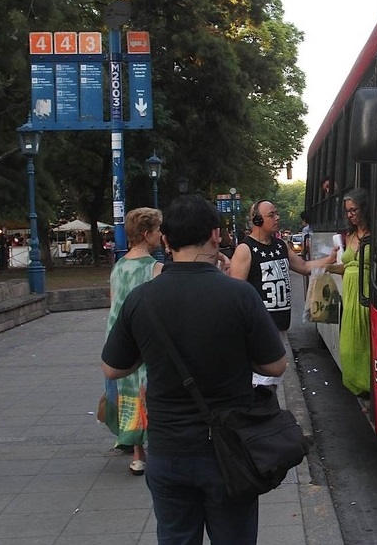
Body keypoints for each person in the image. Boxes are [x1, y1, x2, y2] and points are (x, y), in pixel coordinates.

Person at [101, 194, 286, 545]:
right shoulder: (239, 295)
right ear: (216, 235)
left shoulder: (142, 298)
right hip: (229, 450)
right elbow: (275, 364)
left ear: (166, 241)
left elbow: (112, 368)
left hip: (168, 451)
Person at [228, 199, 337, 391]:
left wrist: (329, 259)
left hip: (280, 327)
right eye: (271, 215)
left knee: (274, 383)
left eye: (276, 213)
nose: (277, 217)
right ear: (257, 220)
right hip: (259, 329)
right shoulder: (245, 250)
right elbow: (235, 294)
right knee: (261, 386)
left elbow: (303, 267)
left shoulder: (280, 246)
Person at [102, 207, 164, 476]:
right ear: (148, 234)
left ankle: (137, 451)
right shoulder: (155, 268)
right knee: (147, 390)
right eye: (159, 230)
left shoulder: (118, 266)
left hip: (117, 336)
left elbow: (113, 303)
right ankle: (150, 448)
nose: (161, 235)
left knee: (129, 391)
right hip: (145, 338)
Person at [325, 189, 372, 397]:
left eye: (354, 210)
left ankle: (370, 386)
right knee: (350, 344)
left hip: (368, 294)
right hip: (350, 297)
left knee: (366, 343)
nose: (350, 215)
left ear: (365, 208)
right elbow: (347, 267)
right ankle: (356, 385)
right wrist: (325, 266)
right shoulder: (350, 235)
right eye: (347, 211)